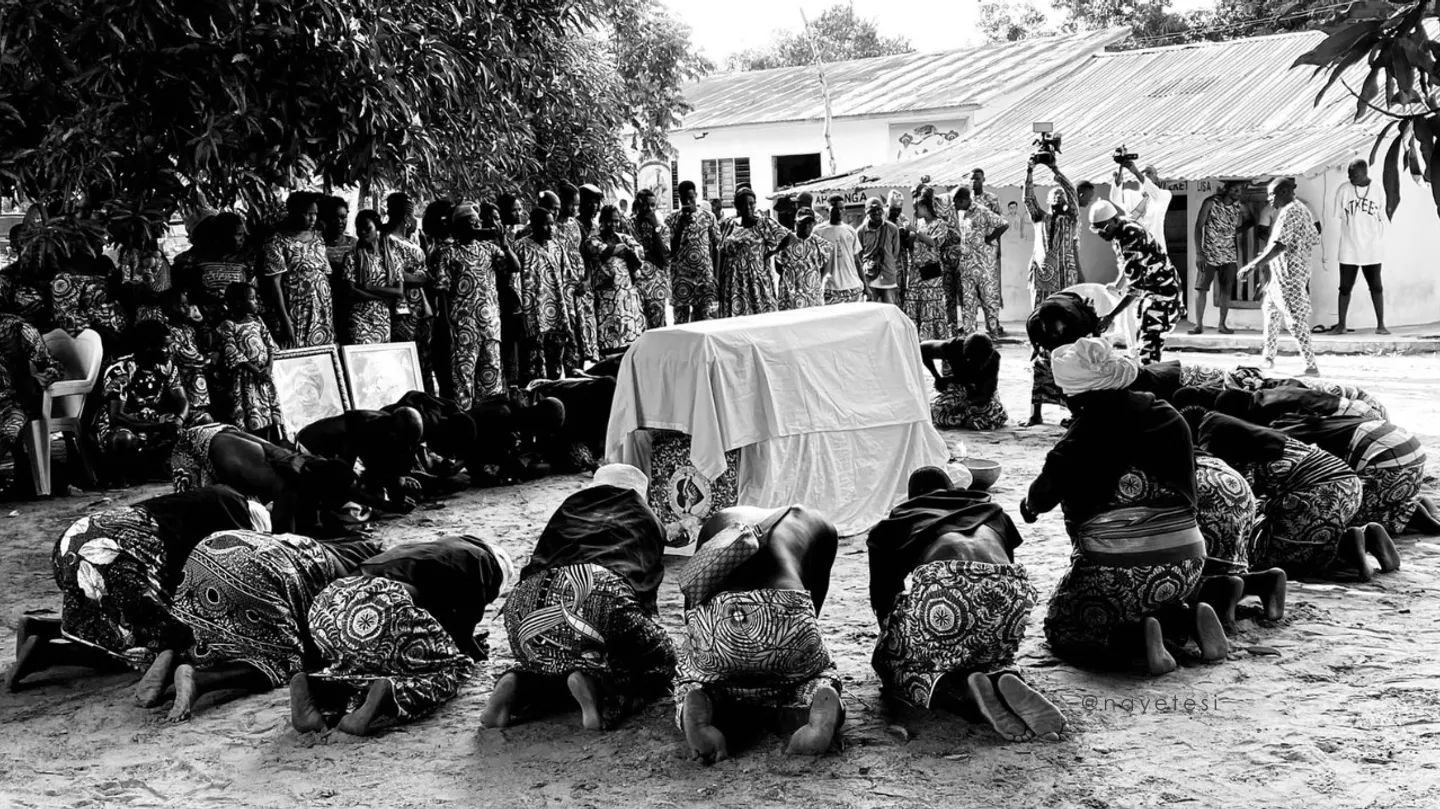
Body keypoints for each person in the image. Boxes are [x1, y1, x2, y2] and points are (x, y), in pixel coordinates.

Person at [1019, 338, 1224, 674]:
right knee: (1155, 599)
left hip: (1121, 568)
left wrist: (1029, 506)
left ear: (1078, 395)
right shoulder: (1167, 414)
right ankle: (1184, 620)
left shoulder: (1083, 435)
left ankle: (1140, 642)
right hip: (1188, 560)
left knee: (1067, 629)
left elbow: (1041, 495)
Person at [6, 486, 268, 694]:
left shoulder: (215, 497)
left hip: (74, 540)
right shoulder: (237, 522)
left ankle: (42, 627)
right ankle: (48, 653)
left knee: (110, 619)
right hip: (113, 556)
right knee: (158, 646)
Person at [868, 468, 1065, 741]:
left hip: (949, 588)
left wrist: (901, 641)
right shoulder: (993, 511)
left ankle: (963, 692)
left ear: (912, 498)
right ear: (952, 490)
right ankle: (1001, 674)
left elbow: (883, 597)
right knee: (987, 649)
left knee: (894, 662)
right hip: (1011, 593)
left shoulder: (899, 520)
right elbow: (1001, 566)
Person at [481, 465, 675, 731]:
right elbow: (643, 589)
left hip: (526, 601)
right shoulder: (645, 516)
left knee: (548, 657)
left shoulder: (570, 506)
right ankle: (593, 685)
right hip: (597, 589)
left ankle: (520, 682)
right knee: (659, 662)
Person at [291, 536, 515, 736]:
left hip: (330, 602)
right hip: (382, 606)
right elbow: (458, 637)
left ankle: (315, 688)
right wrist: (474, 653)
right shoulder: (483, 564)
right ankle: (390, 692)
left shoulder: (438, 549)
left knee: (359, 664)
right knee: (456, 667)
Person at [674, 502, 843, 760]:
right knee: (817, 673)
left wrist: (704, 650)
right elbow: (812, 603)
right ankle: (820, 694)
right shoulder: (821, 524)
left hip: (720, 614)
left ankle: (696, 696)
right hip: (785, 606)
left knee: (693, 675)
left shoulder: (720, 518)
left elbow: (694, 592)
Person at [162, 529, 382, 721]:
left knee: (220, 629)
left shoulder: (305, 544)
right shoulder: (351, 572)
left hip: (210, 550)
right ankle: (201, 680)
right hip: (255, 571)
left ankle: (175, 655)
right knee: (286, 660)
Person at [1196, 413, 1369, 581]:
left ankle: (1344, 556)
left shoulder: (1236, 455)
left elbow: (1243, 502)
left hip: (1321, 493)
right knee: (1305, 540)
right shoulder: (1268, 439)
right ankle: (1361, 537)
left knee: (1273, 561)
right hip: (1348, 484)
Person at [1270, 412, 1435, 556]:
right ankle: (1411, 510)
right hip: (1411, 453)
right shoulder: (1316, 422)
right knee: (1374, 503)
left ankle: (1375, 531)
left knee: (1345, 513)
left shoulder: (1287, 436)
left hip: (1386, 460)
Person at [170, 424, 361, 534]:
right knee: (203, 515)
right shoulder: (284, 482)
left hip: (224, 438)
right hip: (195, 446)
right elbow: (282, 535)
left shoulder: (306, 467)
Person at [1239, 178, 1321, 376]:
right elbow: (1314, 237)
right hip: (1282, 274)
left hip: (1289, 275)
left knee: (1295, 320)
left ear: (1284, 192)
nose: (1269, 199)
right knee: (1271, 311)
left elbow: (1279, 245)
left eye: (1272, 194)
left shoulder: (1291, 212)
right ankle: (1268, 357)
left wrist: (1252, 265)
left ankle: (1311, 365)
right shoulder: (1299, 209)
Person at [1089, 200, 1184, 365]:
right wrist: (1118, 285)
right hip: (1154, 291)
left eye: (1103, 229)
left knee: (1149, 347)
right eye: (1096, 230)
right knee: (1144, 341)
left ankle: (1153, 383)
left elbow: (1135, 289)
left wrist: (1110, 316)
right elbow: (1130, 265)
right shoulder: (1121, 230)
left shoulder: (1130, 237)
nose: (1100, 234)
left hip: (1163, 294)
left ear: (1115, 220)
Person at [95, 320, 193, 479]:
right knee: (122, 439)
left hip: (154, 422)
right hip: (125, 426)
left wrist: (179, 420)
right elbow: (116, 416)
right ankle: (122, 474)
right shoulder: (121, 370)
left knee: (202, 421)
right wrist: (159, 426)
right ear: (148, 348)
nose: (170, 351)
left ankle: (157, 467)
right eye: (165, 346)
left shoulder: (167, 366)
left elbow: (182, 400)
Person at [444, 201, 512, 409]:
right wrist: (447, 323)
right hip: (464, 327)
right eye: (470, 223)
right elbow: (442, 293)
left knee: (491, 382)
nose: (475, 226)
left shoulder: (490, 250)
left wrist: (504, 243)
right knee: (463, 382)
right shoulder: (448, 253)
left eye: (477, 222)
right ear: (459, 226)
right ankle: (466, 428)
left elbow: (514, 266)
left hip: (490, 327)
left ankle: (489, 425)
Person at [296, 408, 426, 502]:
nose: (407, 447)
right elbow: (351, 476)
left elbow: (382, 467)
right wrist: (389, 496)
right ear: (394, 433)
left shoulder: (387, 426)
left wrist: (401, 478)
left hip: (336, 450)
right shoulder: (367, 428)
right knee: (343, 481)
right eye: (406, 441)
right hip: (308, 447)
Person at [261, 191, 333, 348]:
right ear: (294, 213)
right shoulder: (277, 242)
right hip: (295, 309)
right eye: (307, 214)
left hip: (321, 309)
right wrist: (285, 320)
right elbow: (275, 285)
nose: (313, 218)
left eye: (315, 214)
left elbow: (325, 274)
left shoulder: (318, 239)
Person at [0, 309, 66, 477]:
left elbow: (50, 365)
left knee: (8, 432)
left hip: (14, 400)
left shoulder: (17, 328)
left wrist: (47, 374)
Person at [215, 283, 283, 441]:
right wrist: (254, 370)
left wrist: (269, 367)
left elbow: (270, 344)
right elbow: (231, 350)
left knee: (270, 410)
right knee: (251, 411)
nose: (257, 301)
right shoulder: (228, 325)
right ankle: (255, 443)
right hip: (246, 377)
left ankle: (274, 440)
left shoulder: (258, 321)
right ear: (239, 303)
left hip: (265, 375)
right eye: (252, 298)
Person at [516, 208, 577, 381]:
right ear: (533, 225)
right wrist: (520, 313)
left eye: (552, 224)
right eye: (545, 224)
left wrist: (570, 311)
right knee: (533, 366)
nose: (550, 228)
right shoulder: (520, 247)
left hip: (557, 315)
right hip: (532, 316)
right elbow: (514, 283)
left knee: (555, 364)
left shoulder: (557, 248)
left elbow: (568, 282)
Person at [1331, 159, 1390, 335]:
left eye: (1354, 174)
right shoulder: (1344, 190)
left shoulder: (1378, 189)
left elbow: (1382, 215)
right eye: (1349, 174)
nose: (1351, 177)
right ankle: (1341, 324)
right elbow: (1339, 216)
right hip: (1349, 247)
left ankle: (1381, 325)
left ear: (1365, 173)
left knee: (1376, 287)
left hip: (1372, 247)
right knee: (1345, 287)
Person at [717, 188, 792, 318]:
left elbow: (789, 237)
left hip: (756, 279)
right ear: (737, 206)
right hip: (732, 281)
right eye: (744, 204)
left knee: (760, 314)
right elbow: (721, 251)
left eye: (751, 203)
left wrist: (772, 252)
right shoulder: (729, 225)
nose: (748, 207)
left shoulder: (764, 223)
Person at [585, 204, 647, 353]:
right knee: (608, 341)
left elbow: (638, 256)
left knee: (629, 342)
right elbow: (601, 251)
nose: (613, 224)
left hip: (626, 298)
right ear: (602, 221)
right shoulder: (593, 239)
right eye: (610, 221)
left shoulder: (625, 238)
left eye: (616, 221)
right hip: (606, 300)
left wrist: (622, 249)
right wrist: (621, 249)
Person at [1191, 181, 1250, 335]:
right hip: (1209, 254)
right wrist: (1199, 253)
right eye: (1235, 189)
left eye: (1239, 191)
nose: (1237, 193)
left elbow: (1251, 220)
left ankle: (1222, 325)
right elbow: (1198, 227)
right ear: (1226, 189)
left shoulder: (1239, 206)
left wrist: (1237, 231)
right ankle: (1199, 325)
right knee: (1201, 288)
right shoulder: (1211, 203)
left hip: (1229, 254)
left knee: (1226, 290)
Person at [953, 186, 1009, 337]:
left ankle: (993, 334)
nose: (954, 205)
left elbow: (1004, 224)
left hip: (983, 266)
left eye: (956, 202)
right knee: (968, 303)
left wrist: (990, 239)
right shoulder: (962, 215)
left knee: (988, 302)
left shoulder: (982, 211)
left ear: (963, 200)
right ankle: (970, 335)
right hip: (967, 266)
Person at [921, 333, 1008, 430]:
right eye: (971, 360)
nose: (977, 365)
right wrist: (937, 377)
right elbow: (922, 349)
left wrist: (967, 402)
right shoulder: (952, 347)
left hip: (979, 394)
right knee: (938, 411)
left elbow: (987, 394)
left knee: (995, 412)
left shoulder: (994, 358)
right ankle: (966, 418)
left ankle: (964, 418)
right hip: (957, 386)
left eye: (981, 362)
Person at [186, 211, 254, 332]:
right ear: (222, 236)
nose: (242, 239)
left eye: (243, 234)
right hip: (207, 325)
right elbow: (192, 295)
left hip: (239, 326)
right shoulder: (195, 261)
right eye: (238, 235)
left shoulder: (246, 261)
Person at [556, 183, 599, 371]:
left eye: (577, 204)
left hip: (581, 289)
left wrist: (587, 280)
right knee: (569, 334)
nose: (574, 208)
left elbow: (586, 255)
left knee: (583, 337)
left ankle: (580, 372)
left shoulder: (576, 226)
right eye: (572, 204)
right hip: (563, 289)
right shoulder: (552, 226)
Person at [666, 181, 721, 324]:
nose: (688, 201)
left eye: (691, 198)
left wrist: (716, 275)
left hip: (704, 277)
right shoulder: (671, 219)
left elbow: (718, 247)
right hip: (680, 279)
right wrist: (680, 227)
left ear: (696, 195)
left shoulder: (708, 217)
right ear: (680, 198)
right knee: (681, 324)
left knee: (705, 322)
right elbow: (669, 251)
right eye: (685, 199)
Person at [904, 186, 955, 339]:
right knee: (915, 308)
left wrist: (915, 231)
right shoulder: (919, 224)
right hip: (915, 274)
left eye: (916, 208)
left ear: (924, 207)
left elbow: (934, 242)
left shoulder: (940, 224)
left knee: (931, 307)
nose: (914, 211)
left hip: (931, 273)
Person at [160, 287, 211, 422]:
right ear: (167, 309)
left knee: (200, 411)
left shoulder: (190, 330)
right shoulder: (167, 332)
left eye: (187, 304)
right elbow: (182, 355)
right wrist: (206, 360)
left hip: (196, 379)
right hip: (180, 379)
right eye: (181, 305)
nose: (187, 308)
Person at [774, 207, 832, 311]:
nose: (806, 225)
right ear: (795, 223)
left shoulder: (820, 244)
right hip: (790, 299)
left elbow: (826, 265)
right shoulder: (785, 242)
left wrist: (815, 280)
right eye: (802, 222)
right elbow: (778, 267)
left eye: (810, 222)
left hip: (812, 298)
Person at [629, 189, 671, 330]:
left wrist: (655, 229)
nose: (650, 209)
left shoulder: (661, 228)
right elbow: (629, 253)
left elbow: (664, 257)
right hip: (634, 284)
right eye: (646, 205)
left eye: (653, 205)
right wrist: (648, 255)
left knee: (658, 328)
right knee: (637, 327)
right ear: (638, 205)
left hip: (655, 285)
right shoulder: (627, 225)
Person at [1111, 161, 1172, 252]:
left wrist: (1136, 172)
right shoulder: (1130, 195)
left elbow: (1155, 193)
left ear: (1156, 178)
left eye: (1149, 172)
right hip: (1136, 249)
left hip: (1156, 250)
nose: (1145, 174)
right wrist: (1117, 184)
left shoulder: (1164, 195)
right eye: (1143, 172)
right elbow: (1116, 199)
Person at [815, 195, 864, 305]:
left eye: (842, 208)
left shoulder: (850, 230)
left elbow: (856, 260)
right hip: (830, 288)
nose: (839, 211)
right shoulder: (818, 232)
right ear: (828, 210)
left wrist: (864, 283)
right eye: (835, 208)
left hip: (853, 287)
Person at [858, 197, 901, 305]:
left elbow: (895, 252)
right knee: (869, 314)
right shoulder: (861, 231)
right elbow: (858, 256)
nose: (876, 213)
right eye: (872, 210)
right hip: (869, 279)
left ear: (882, 210)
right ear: (866, 212)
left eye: (878, 210)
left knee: (889, 312)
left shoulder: (892, 228)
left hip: (888, 278)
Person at [1074, 181, 1117, 284]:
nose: (1090, 200)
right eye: (1090, 198)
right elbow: (1072, 247)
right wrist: (1079, 274)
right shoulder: (1072, 216)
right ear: (1081, 195)